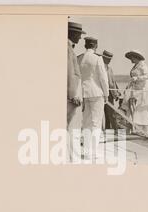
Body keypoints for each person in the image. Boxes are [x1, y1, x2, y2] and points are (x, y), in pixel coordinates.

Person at [77, 37, 109, 160]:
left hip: (83, 93)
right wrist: (106, 94)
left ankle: (86, 152)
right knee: (96, 123)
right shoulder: (97, 58)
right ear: (95, 46)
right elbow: (103, 79)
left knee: (85, 123)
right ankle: (93, 153)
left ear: (85, 45)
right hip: (96, 94)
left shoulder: (79, 58)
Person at [121, 50, 148, 138]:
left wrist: (137, 78)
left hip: (142, 90)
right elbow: (132, 78)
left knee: (141, 110)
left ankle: (144, 130)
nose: (131, 60)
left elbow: (147, 76)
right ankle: (134, 128)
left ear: (136, 57)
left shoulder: (143, 65)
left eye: (131, 58)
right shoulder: (135, 66)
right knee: (133, 108)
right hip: (135, 90)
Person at [66, 21, 86, 163]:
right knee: (72, 129)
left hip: (72, 94)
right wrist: (73, 95)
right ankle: (72, 159)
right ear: (72, 33)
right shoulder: (67, 48)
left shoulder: (69, 47)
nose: (80, 38)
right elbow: (69, 73)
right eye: (78, 34)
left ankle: (70, 157)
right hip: (71, 97)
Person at [100, 50, 121, 132]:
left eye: (110, 59)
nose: (109, 60)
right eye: (108, 59)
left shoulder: (109, 68)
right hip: (103, 94)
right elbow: (107, 83)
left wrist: (117, 93)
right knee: (106, 114)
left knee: (110, 114)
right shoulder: (101, 68)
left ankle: (112, 130)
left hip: (110, 95)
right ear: (103, 58)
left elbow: (113, 82)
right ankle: (110, 130)